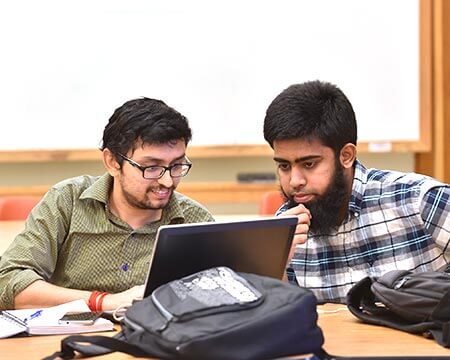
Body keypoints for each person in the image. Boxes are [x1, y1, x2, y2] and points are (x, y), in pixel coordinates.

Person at [0, 98, 214, 311]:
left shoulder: (195, 222)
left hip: (154, 341)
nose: (167, 181)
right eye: (151, 167)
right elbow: (8, 283)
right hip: (64, 340)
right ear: (112, 162)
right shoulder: (67, 201)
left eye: (176, 165)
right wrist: (102, 301)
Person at [263, 80, 450, 303]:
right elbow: (286, 321)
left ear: (346, 156)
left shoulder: (418, 199)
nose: (294, 181)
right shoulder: (286, 230)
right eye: (284, 166)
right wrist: (277, 263)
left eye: (309, 164)